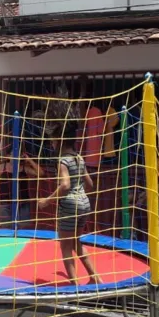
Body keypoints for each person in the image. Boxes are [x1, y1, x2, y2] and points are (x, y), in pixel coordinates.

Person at [37, 121, 103, 285]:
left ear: (59, 141)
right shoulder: (79, 158)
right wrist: (79, 194)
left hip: (70, 206)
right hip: (84, 204)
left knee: (66, 246)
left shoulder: (63, 161)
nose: (51, 144)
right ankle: (95, 277)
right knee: (76, 242)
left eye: (52, 141)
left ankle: (75, 285)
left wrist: (47, 200)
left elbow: (65, 184)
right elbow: (90, 184)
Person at [0, 144, 42, 229]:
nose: (15, 157)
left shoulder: (24, 168)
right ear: (8, 156)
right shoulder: (1, 168)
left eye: (18, 155)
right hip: (5, 204)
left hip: (22, 203)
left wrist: (29, 160)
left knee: (23, 229)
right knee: (6, 228)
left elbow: (41, 173)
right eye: (13, 154)